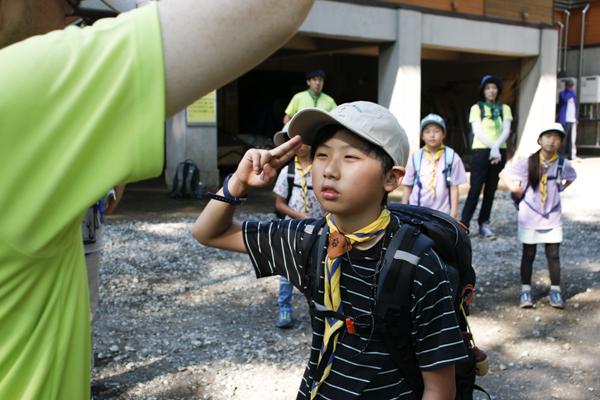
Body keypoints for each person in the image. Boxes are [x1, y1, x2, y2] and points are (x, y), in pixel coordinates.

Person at [0, 0, 316, 398]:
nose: (70, 20)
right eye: (68, 4)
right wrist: (236, 184)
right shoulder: (16, 92)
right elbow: (275, 7)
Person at [192, 101, 468, 400]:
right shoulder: (308, 239)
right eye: (322, 155)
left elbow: (440, 389)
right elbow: (207, 232)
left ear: (392, 178)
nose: (330, 170)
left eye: (350, 157)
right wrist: (238, 183)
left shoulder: (417, 261)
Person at [499, 123, 577, 309]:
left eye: (556, 137)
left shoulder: (562, 164)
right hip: (530, 215)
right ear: (540, 140)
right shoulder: (528, 162)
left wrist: (560, 188)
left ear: (561, 142)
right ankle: (526, 291)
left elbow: (571, 177)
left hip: (552, 215)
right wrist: (514, 188)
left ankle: (555, 291)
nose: (552, 140)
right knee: (529, 254)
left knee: (553, 254)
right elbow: (503, 173)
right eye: (548, 136)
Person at [272, 123, 326, 328]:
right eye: (293, 139)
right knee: (287, 271)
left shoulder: (322, 169)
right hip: (292, 229)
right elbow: (279, 204)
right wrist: (300, 216)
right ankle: (284, 307)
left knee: (319, 269)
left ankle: (321, 309)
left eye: (304, 139)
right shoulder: (287, 171)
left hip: (320, 229)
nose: (300, 144)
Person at [460, 75, 513, 239]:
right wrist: (492, 147)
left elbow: (506, 130)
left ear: (498, 90)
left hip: (499, 151)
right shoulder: (477, 108)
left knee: (491, 190)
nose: (491, 91)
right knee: (475, 189)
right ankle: (464, 224)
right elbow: (477, 131)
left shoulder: (504, 109)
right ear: (483, 91)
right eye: (488, 88)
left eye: (494, 88)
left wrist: (497, 148)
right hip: (482, 150)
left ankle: (484, 223)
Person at [82, 185, 126, 369]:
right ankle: (82, 381)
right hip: (85, 241)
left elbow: (108, 207)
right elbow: (109, 207)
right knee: (85, 314)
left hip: (85, 243)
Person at [402, 113, 468, 219]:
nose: (432, 135)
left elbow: (454, 187)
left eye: (436, 131)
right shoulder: (416, 157)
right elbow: (407, 186)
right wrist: (404, 212)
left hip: (442, 214)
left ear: (444, 134)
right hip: (416, 212)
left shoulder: (452, 156)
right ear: (422, 135)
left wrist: (453, 214)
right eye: (427, 131)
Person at [556, 79, 578, 160]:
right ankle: (560, 154)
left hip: (572, 120)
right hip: (565, 120)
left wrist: (576, 118)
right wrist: (571, 91)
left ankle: (571, 154)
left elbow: (576, 107)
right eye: (570, 86)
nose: (572, 88)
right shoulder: (563, 94)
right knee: (563, 138)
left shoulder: (573, 95)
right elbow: (565, 98)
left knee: (572, 139)